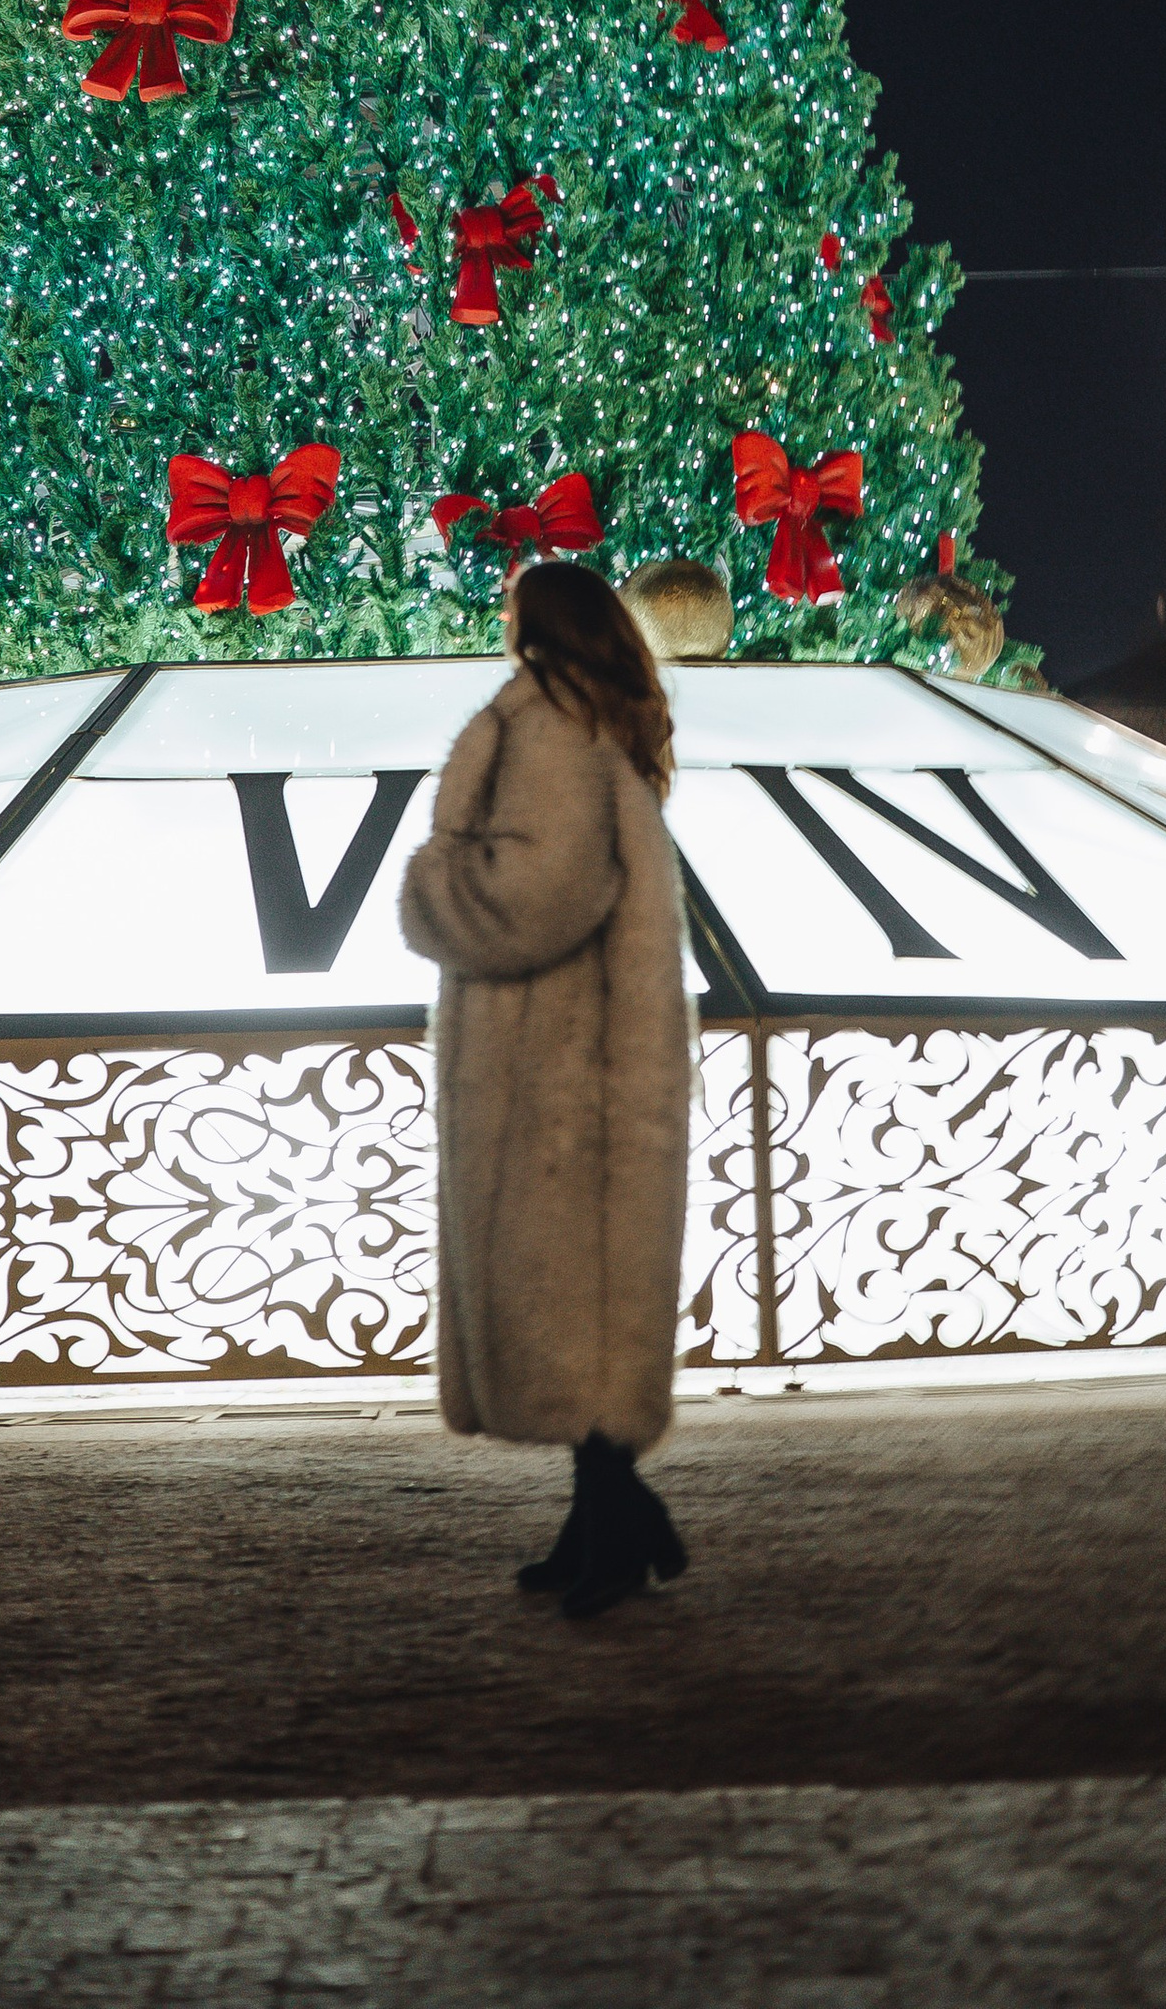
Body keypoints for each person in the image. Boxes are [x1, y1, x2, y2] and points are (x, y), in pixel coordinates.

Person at [398, 553, 695, 1620]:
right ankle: (606, 1523)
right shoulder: (595, 723)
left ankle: (616, 1529)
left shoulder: (547, 729)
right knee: (587, 1306)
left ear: (538, 624)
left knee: (572, 1307)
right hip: (590, 1059)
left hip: (556, 1074)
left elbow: (535, 894)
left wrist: (432, 882)